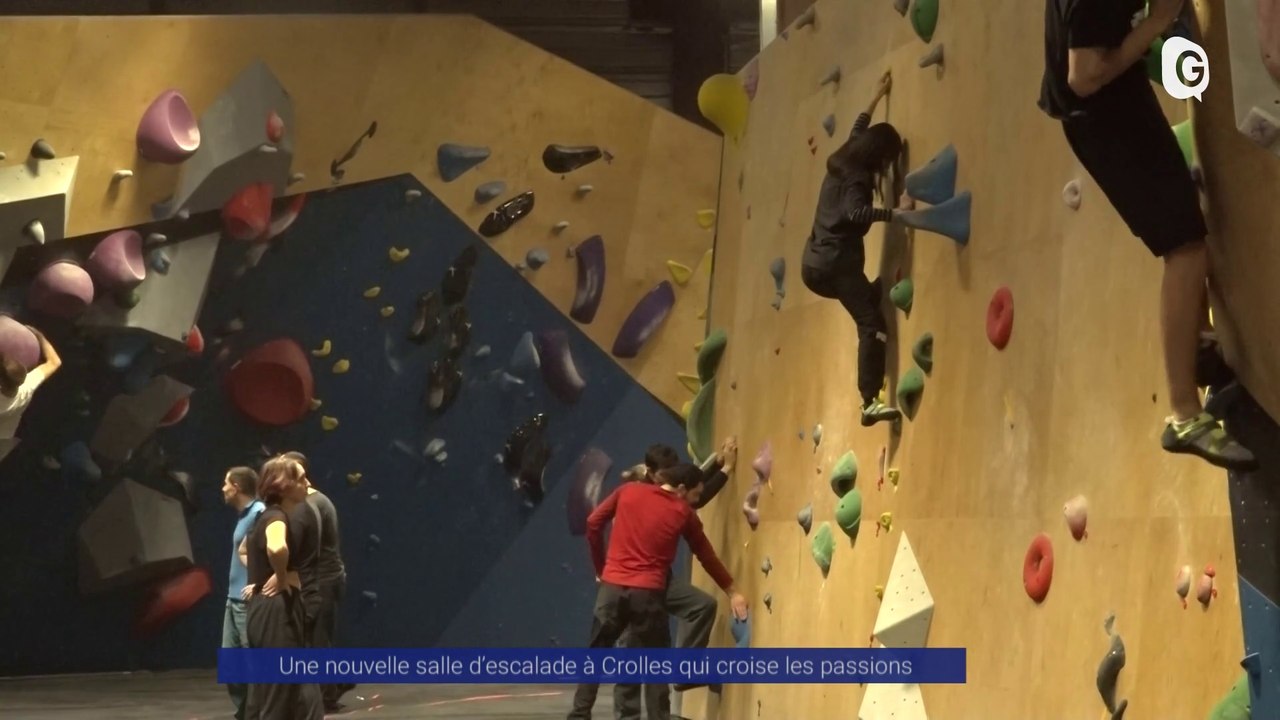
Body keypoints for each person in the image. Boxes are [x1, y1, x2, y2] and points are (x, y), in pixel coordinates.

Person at [1038, 0, 1255, 470]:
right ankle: (1183, 415)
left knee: (1187, 219)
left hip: (1118, 93)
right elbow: (1084, 75)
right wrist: (1158, 22)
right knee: (1185, 249)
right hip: (1100, 117)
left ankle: (1199, 347)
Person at [568, 464, 749, 720]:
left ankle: (579, 714)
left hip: (611, 589)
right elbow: (705, 554)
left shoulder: (627, 491)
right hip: (648, 595)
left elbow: (593, 523)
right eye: (696, 495)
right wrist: (733, 591)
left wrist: (602, 568)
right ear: (682, 489)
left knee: (595, 655)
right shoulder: (682, 511)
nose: (697, 500)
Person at [800, 70, 905, 428]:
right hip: (834, 265)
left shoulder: (845, 158)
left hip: (815, 262)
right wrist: (895, 213)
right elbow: (856, 212)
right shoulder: (858, 178)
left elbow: (859, 128)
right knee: (871, 323)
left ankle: (870, 293)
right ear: (879, 159)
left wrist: (876, 95)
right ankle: (869, 401)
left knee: (867, 297)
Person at [242, 455, 324, 720]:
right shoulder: (278, 517)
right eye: (300, 479)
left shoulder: (266, 516)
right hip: (276, 611)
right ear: (284, 485)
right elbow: (276, 546)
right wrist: (281, 575)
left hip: (264, 611)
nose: (307, 483)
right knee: (279, 696)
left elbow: (248, 550)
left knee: (276, 692)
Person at [282, 451, 354, 712]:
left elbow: (307, 545)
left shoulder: (310, 504)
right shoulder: (316, 500)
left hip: (322, 579)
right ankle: (333, 683)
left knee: (317, 638)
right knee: (317, 638)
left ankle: (327, 693)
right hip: (326, 577)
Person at [220, 467, 265, 720]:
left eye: (225, 483)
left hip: (247, 602)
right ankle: (246, 711)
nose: (222, 488)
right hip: (233, 599)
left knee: (250, 663)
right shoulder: (244, 515)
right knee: (231, 663)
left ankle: (256, 713)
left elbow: (266, 555)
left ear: (236, 486)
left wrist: (259, 583)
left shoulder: (258, 513)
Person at [0, 326, 61, 440]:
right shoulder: (26, 388)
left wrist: (39, 335)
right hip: (4, 440)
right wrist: (40, 336)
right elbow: (54, 362)